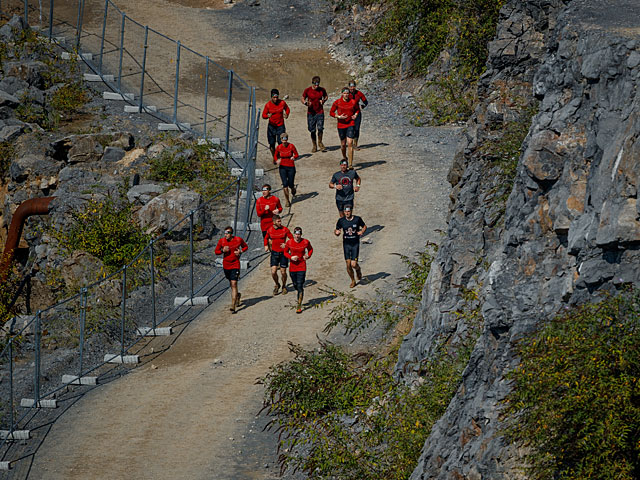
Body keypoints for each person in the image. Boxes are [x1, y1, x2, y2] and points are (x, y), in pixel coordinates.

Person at [214, 226, 249, 313]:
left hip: (235, 264)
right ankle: (237, 295)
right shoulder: (221, 241)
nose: (226, 234)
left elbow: (245, 247)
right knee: (231, 283)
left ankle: (233, 305)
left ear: (231, 233)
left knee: (234, 283)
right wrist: (222, 250)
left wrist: (240, 251)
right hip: (226, 265)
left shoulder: (238, 240)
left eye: (228, 233)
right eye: (225, 233)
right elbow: (216, 252)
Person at [334, 205, 366, 288]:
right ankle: (353, 280)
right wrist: (337, 233)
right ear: (344, 212)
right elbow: (337, 229)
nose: (347, 213)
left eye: (348, 211)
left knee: (353, 264)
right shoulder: (341, 221)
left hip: (355, 244)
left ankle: (358, 269)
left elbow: (364, 226)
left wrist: (362, 231)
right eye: (345, 211)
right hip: (346, 244)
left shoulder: (357, 219)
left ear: (351, 211)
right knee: (348, 264)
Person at [284, 226, 313, 314]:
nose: (297, 236)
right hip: (292, 267)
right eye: (296, 235)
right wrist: (291, 257)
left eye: (299, 235)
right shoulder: (289, 242)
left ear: (301, 235)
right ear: (294, 234)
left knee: (300, 285)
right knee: (295, 285)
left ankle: (299, 305)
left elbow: (310, 249)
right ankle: (298, 290)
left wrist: (308, 255)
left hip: (301, 266)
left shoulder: (305, 242)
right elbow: (285, 252)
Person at [329, 87, 359, 169]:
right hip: (341, 125)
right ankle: (344, 157)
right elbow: (331, 112)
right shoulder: (337, 102)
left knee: (350, 143)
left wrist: (355, 115)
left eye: (347, 93)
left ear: (349, 94)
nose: (346, 95)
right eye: (344, 93)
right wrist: (338, 116)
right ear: (342, 94)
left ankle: (350, 164)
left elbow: (357, 110)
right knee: (343, 144)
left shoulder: (353, 102)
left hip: (350, 123)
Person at [264, 215, 293, 296]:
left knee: (283, 272)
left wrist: (286, 244)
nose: (280, 223)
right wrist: (265, 245)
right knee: (273, 272)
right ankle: (277, 284)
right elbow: (266, 238)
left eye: (280, 221)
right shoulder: (270, 230)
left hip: (283, 253)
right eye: (278, 221)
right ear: (274, 222)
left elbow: (291, 239)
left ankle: (284, 286)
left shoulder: (285, 229)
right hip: (274, 253)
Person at [301, 76, 328, 153]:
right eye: (315, 85)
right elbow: (302, 98)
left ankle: (320, 142)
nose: (316, 86)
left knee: (320, 128)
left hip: (320, 112)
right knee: (312, 130)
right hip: (311, 113)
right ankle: (314, 145)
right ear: (312, 83)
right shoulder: (307, 90)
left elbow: (326, 96)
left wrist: (323, 101)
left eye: (318, 84)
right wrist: (305, 103)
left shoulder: (322, 90)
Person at [273, 132, 299, 207]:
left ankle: (293, 189)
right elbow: (275, 156)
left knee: (290, 183)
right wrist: (277, 160)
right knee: (285, 184)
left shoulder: (291, 146)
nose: (284, 141)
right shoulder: (279, 147)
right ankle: (287, 201)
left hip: (291, 166)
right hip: (282, 167)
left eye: (286, 139)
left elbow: (297, 154)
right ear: (281, 140)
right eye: (283, 139)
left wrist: (294, 157)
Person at [262, 88, 290, 157]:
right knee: (272, 143)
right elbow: (263, 115)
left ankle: (282, 156)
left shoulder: (282, 103)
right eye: (274, 97)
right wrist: (267, 116)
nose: (275, 99)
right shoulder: (268, 105)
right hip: (271, 126)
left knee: (281, 142)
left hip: (280, 126)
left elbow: (287, 109)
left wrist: (286, 114)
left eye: (276, 97)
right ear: (271, 97)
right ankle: (274, 157)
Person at [348, 80, 368, 151]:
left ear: (355, 87)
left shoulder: (359, 93)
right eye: (350, 87)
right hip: (349, 113)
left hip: (357, 113)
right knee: (350, 128)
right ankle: (350, 143)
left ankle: (355, 144)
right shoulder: (346, 93)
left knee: (356, 128)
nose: (352, 88)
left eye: (353, 86)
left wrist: (362, 106)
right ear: (348, 87)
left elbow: (366, 101)